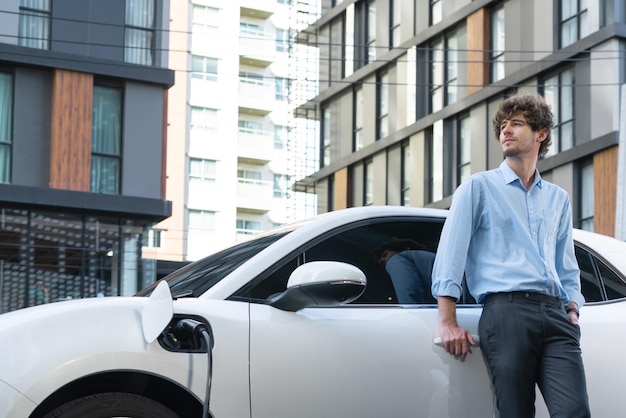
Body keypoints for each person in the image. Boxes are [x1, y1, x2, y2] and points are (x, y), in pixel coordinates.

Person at [431, 92, 590, 417]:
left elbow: (566, 265)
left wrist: (572, 308)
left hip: (556, 315)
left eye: (516, 124)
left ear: (540, 133)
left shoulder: (558, 199)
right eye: (503, 125)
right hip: (507, 313)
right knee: (516, 412)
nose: (506, 130)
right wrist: (447, 321)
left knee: (575, 412)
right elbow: (451, 253)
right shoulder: (478, 188)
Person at [374, 238, 436, 304]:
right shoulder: (432, 259)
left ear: (406, 249)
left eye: (385, 255)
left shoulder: (396, 259)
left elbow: (409, 290)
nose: (381, 260)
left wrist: (409, 312)